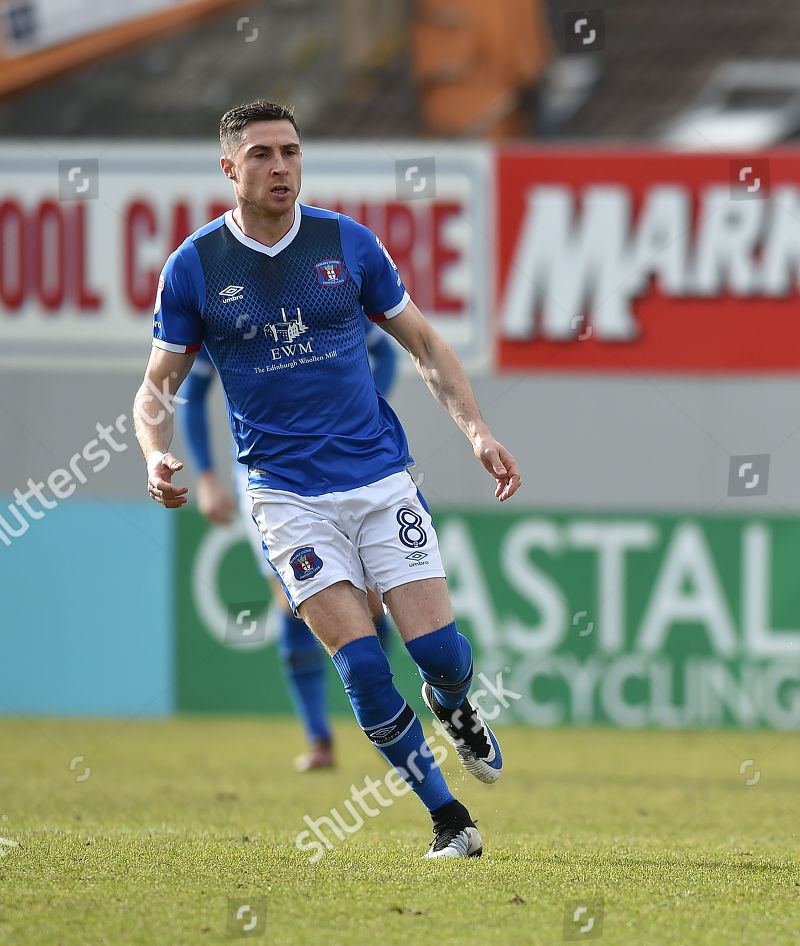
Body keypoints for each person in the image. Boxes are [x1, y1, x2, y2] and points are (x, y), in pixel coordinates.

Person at [133, 100, 520, 859]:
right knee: (365, 664)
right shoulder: (196, 266)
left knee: (437, 652)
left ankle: (453, 702)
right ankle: (449, 820)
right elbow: (158, 386)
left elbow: (426, 346)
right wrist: (154, 452)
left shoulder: (347, 245)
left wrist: (477, 429)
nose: (281, 167)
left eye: (291, 152)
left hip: (379, 481)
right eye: (262, 155)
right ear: (229, 169)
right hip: (285, 496)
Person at [180, 328, 399, 772]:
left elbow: (388, 354)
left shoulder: (328, 285)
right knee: (294, 598)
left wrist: (365, 413)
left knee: (371, 604)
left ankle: (388, 717)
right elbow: (192, 391)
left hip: (348, 461)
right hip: (267, 474)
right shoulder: (219, 296)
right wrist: (204, 475)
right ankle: (319, 737)